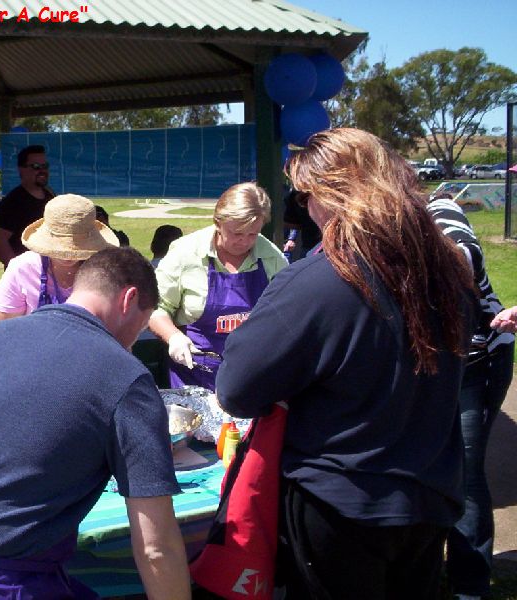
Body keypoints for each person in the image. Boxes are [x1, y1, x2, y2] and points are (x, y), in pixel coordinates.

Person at [216, 128, 476, 598]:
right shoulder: (448, 270)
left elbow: (237, 388)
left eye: (306, 196)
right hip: (429, 495)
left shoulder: (319, 281)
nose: (306, 209)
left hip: (341, 502)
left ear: (329, 195)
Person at [0, 247, 191, 600]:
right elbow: (156, 548)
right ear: (129, 299)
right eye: (141, 326)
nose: (133, 341)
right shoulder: (126, 378)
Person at [427, 192, 515, 600]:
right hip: (435, 363)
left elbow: (464, 256)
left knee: (465, 470)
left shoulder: (443, 219)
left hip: (477, 362)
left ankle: (470, 585)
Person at [148, 182, 288, 391]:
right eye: (236, 233)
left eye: (252, 234)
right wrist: (173, 337)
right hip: (196, 372)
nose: (244, 242)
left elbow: (287, 314)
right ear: (218, 222)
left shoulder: (271, 257)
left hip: (252, 374)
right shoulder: (185, 253)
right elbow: (154, 307)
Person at [0, 194, 119, 321]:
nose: (68, 255)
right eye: (60, 248)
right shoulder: (22, 269)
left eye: (77, 248)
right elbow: (4, 326)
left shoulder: (105, 272)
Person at [0, 145, 55, 267]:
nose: (42, 170)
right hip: (28, 273)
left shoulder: (50, 195)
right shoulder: (12, 203)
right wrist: (20, 270)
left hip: (50, 270)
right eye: (36, 166)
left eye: (45, 166)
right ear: (21, 169)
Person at [282, 188, 321, 261]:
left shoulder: (297, 191)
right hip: (310, 245)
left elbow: (291, 223)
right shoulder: (296, 193)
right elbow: (291, 222)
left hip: (310, 245)